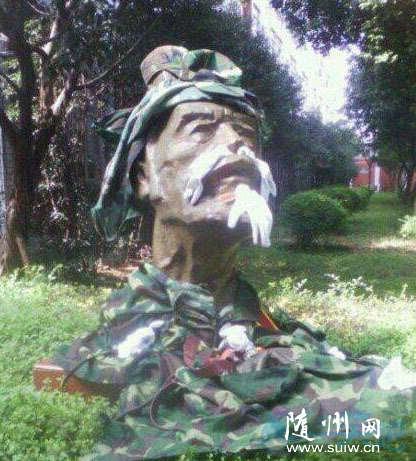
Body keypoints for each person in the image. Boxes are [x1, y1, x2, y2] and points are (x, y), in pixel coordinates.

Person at [55, 46, 416, 460]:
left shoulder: (253, 318)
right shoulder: (129, 333)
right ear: (143, 178)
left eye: (246, 132)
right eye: (200, 129)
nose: (237, 146)